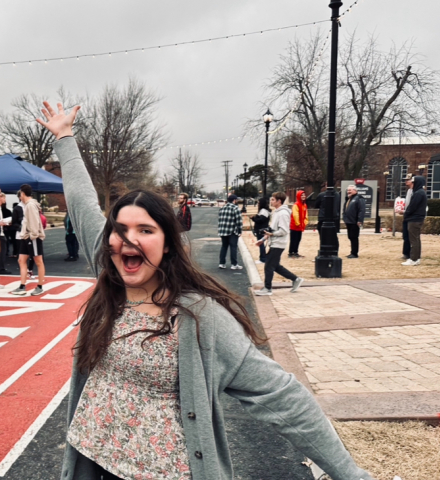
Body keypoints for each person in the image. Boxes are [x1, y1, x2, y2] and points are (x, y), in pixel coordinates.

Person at [36, 101, 374, 480]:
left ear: (167, 243)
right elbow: (82, 204)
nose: (128, 239)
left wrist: (352, 475)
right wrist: (65, 137)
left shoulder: (199, 316)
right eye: (120, 229)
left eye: (145, 230)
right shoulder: (110, 278)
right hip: (92, 456)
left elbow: (284, 398)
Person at [254, 191, 304, 296]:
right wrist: (263, 239)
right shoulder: (276, 212)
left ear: (279, 201)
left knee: (268, 266)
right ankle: (296, 279)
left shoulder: (283, 213)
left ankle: (267, 288)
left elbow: (283, 231)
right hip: (274, 243)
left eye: (273, 199)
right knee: (275, 266)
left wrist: (270, 234)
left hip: (279, 243)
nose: (270, 201)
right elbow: (272, 229)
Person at [9, 184, 46, 296]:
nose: (19, 197)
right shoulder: (29, 205)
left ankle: (39, 286)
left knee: (38, 261)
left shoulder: (30, 205)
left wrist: (33, 236)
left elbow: (34, 222)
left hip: (32, 237)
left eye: (20, 194)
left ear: (23, 193)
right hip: (26, 236)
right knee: (21, 260)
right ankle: (22, 286)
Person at [402, 175, 427, 266]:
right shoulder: (420, 192)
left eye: (413, 181)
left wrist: (405, 213)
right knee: (416, 239)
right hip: (417, 218)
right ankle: (416, 258)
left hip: (414, 219)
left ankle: (413, 259)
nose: (412, 183)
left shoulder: (418, 193)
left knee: (413, 240)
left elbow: (412, 206)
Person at [217, 194, 243, 270]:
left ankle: (222, 263)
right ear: (234, 200)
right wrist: (240, 230)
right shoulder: (235, 208)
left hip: (223, 231)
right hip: (232, 231)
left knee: (224, 246)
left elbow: (220, 220)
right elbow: (239, 221)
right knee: (233, 247)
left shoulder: (222, 208)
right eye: (236, 200)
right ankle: (234, 264)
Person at [314, 184, 340, 251]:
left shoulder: (321, 195)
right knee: (334, 236)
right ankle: (335, 250)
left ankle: (323, 250)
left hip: (323, 218)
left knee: (323, 236)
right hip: (334, 218)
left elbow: (316, 205)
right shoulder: (337, 195)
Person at [342, 185, 366, 259]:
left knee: (354, 237)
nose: (348, 191)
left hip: (354, 222)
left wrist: (359, 220)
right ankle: (352, 252)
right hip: (348, 221)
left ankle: (355, 253)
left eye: (350, 190)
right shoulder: (348, 199)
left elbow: (361, 210)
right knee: (350, 237)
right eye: (348, 190)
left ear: (355, 191)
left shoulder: (359, 198)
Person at [288, 190, 308, 258]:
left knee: (298, 239)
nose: (303, 196)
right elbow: (295, 215)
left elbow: (306, 214)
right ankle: (291, 252)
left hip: (300, 226)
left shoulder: (304, 205)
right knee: (294, 239)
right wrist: (298, 223)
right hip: (295, 226)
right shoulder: (296, 205)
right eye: (302, 195)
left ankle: (295, 252)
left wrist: (305, 222)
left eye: (304, 195)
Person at [250, 197, 270, 264]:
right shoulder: (264, 211)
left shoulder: (263, 211)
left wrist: (253, 218)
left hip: (261, 230)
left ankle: (263, 259)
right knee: (261, 244)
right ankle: (263, 258)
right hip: (261, 229)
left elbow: (260, 220)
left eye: (259, 202)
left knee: (261, 244)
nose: (258, 204)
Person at [401, 173, 414, 260]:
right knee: (405, 235)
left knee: (411, 236)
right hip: (406, 215)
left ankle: (410, 254)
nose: (406, 181)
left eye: (408, 180)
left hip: (412, 216)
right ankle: (406, 253)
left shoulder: (415, 191)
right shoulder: (409, 191)